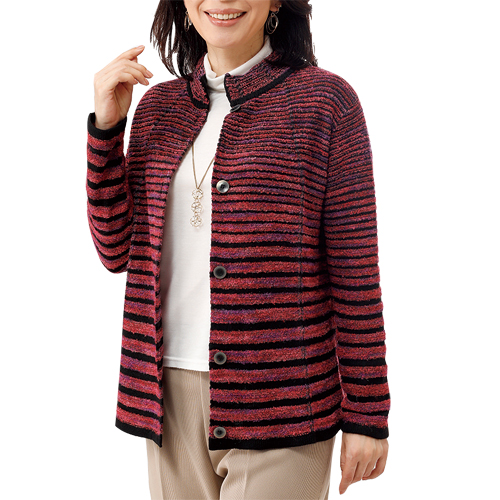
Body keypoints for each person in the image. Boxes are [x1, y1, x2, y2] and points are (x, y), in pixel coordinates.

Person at [87, 1, 390, 498]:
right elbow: (116, 251)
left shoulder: (325, 102)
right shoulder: (157, 108)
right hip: (166, 397)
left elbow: (355, 271)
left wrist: (368, 413)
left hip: (285, 402)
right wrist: (105, 132)